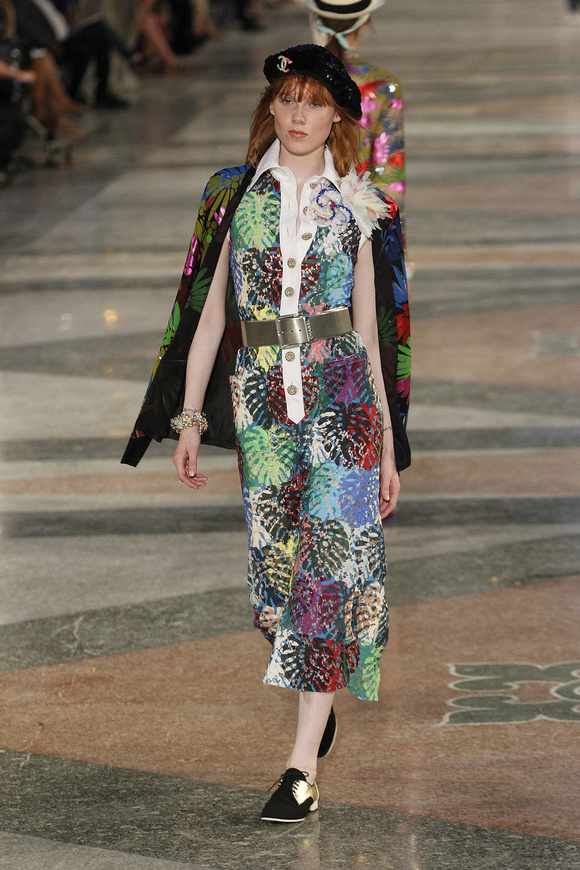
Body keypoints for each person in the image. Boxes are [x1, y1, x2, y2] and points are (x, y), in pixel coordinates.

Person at [121, 43, 410, 823]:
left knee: (326, 574)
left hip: (343, 403)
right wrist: (189, 419)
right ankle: (318, 685)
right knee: (276, 587)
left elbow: (370, 333)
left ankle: (298, 768)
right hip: (261, 407)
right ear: (269, 108)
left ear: (338, 114)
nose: (298, 115)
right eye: (286, 99)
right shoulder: (235, 194)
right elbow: (209, 315)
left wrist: (386, 446)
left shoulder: (358, 202)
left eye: (313, 102)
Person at [306, 0, 406, 231]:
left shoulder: (295, 82)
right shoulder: (382, 87)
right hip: (357, 223)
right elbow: (389, 174)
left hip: (299, 213)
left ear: (317, 19)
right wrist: (393, 242)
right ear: (364, 23)